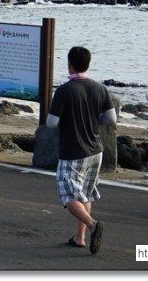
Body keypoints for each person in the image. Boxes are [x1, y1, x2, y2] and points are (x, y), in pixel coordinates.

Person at [46, 46, 116, 254]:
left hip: (73, 151)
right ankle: (80, 237)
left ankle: (93, 225)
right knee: (85, 194)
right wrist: (94, 119)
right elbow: (111, 118)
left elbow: (51, 123)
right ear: (88, 64)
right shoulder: (99, 88)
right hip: (95, 150)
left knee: (69, 197)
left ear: (70, 64)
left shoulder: (65, 90)